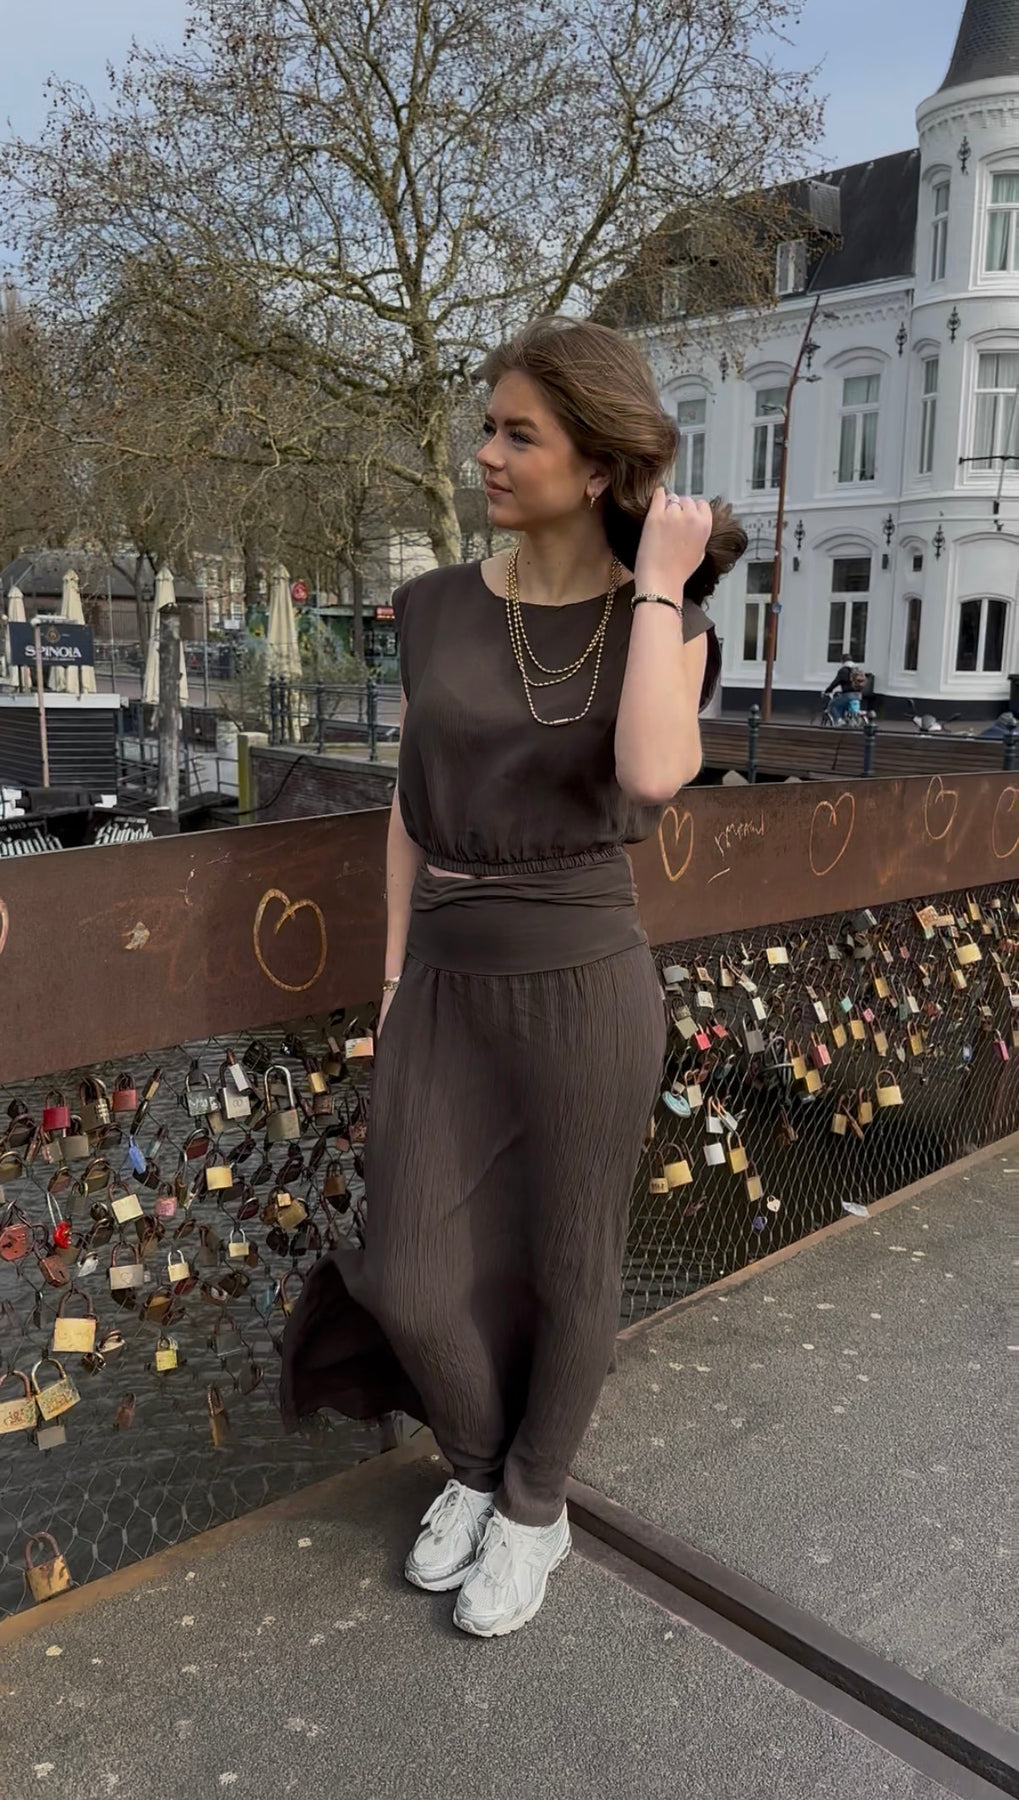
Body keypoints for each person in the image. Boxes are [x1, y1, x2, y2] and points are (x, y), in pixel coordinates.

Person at [281, 316, 747, 1638]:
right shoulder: (433, 605)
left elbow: (652, 774)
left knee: (570, 1256)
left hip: (584, 974)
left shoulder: (665, 623)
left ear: (597, 465)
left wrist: (659, 583)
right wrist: (390, 973)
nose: (484, 452)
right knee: (410, 1272)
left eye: (517, 433)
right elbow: (408, 804)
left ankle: (535, 1507)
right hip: (442, 970)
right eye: (486, 426)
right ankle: (479, 1465)